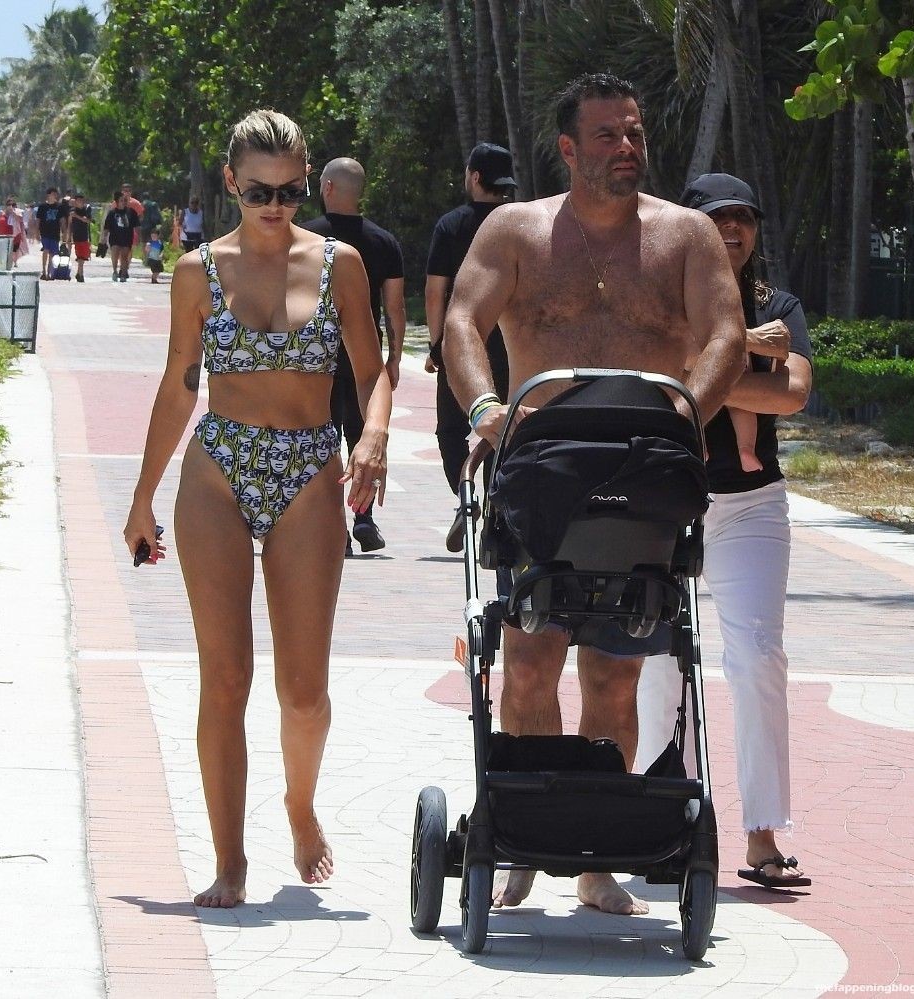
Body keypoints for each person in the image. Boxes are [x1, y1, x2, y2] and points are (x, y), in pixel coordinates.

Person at [442, 73, 745, 915]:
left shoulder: (685, 235)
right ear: (569, 148)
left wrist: (688, 415)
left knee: (614, 672)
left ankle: (596, 859)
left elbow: (724, 333)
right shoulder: (516, 230)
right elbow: (462, 321)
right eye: (608, 135)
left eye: (635, 133)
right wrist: (488, 410)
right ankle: (527, 835)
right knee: (529, 660)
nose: (627, 148)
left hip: (643, 475)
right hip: (542, 471)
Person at [123, 108, 392, 908]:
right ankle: (229, 859)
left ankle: (300, 806)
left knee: (303, 691)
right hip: (219, 467)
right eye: (259, 192)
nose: (276, 206)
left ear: (307, 183)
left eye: (290, 190)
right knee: (226, 676)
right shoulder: (197, 271)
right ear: (231, 184)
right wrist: (141, 497)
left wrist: (373, 437)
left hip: (309, 467)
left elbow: (372, 370)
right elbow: (180, 385)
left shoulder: (340, 264)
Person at [636, 172, 814, 890]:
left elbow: (792, 393)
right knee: (657, 660)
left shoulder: (779, 306)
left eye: (744, 217)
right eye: (717, 218)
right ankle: (657, 823)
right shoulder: (659, 299)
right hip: (667, 499)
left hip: (751, 507)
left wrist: (701, 366)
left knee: (759, 657)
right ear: (691, 228)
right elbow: (649, 372)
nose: (733, 228)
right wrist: (740, 359)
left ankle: (763, 831)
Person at [302, 157, 406, 555]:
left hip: (316, 358)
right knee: (364, 438)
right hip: (365, 356)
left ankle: (337, 529)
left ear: (327, 187)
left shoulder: (307, 238)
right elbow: (394, 308)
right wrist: (394, 358)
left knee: (323, 443)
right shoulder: (384, 242)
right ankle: (364, 518)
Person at [426, 142, 514, 550]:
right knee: (504, 428)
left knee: (450, 430)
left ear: (475, 177)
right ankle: (497, 508)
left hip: (463, 344)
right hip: (509, 346)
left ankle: (466, 498)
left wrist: (437, 344)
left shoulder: (452, 225)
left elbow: (435, 290)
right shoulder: (518, 222)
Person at [103, 191, 139, 282]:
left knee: (124, 256)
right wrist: (103, 239)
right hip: (114, 237)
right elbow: (106, 227)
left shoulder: (131, 212)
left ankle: (123, 273)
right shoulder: (112, 213)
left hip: (127, 237)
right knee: (115, 255)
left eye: (125, 200)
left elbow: (136, 226)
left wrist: (138, 237)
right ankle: (115, 271)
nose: (123, 202)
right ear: (117, 202)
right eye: (121, 200)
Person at [36, 187, 70, 280]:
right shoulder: (42, 207)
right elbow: (38, 220)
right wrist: (36, 232)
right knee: (46, 249)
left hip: (55, 232)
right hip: (45, 232)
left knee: (52, 253)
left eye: (56, 194)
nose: (55, 195)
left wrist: (64, 232)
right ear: (48, 195)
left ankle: (49, 272)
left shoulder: (59, 207)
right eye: (53, 194)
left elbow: (62, 221)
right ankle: (44, 271)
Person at [66, 193, 92, 283]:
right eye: (78, 200)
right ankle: (81, 275)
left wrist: (77, 216)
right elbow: (69, 224)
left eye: (82, 200)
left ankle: (78, 273)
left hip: (85, 235)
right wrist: (68, 237)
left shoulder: (86, 209)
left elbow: (87, 220)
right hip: (76, 236)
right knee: (80, 256)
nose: (80, 202)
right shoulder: (72, 211)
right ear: (75, 201)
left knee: (84, 257)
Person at [140, 192, 163, 258]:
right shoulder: (153, 204)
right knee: (151, 241)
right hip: (152, 226)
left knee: (144, 242)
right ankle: (151, 256)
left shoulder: (141, 204)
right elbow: (158, 215)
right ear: (149, 197)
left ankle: (145, 257)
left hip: (142, 226)